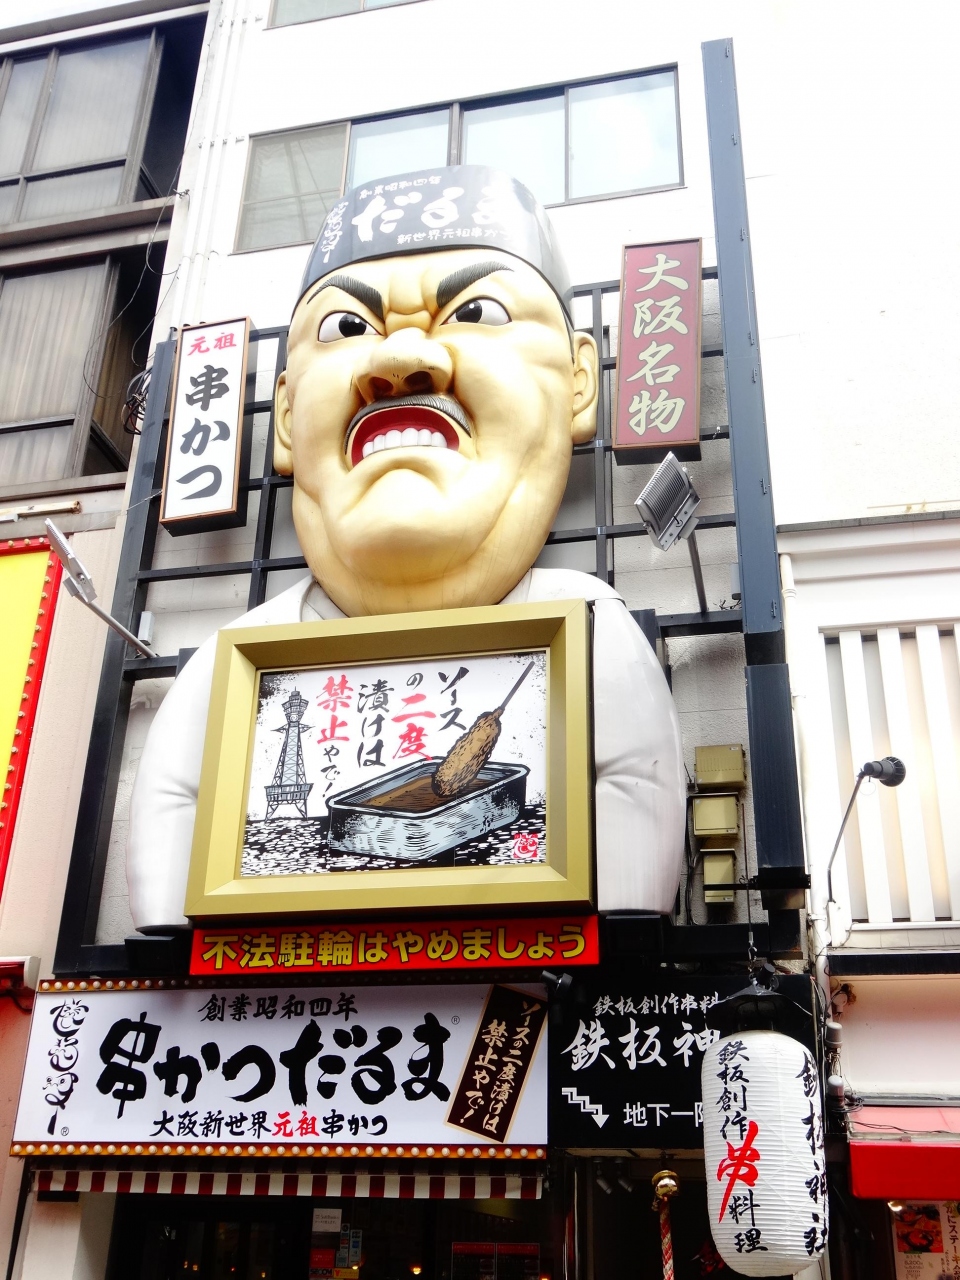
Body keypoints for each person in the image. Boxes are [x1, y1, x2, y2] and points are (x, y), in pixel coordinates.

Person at [127, 165, 685, 931]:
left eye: (476, 312)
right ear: (285, 417)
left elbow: (632, 797)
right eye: (346, 328)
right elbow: (170, 827)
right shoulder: (245, 652)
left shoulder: (588, 621)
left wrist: (622, 927)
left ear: (579, 383)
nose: (397, 362)